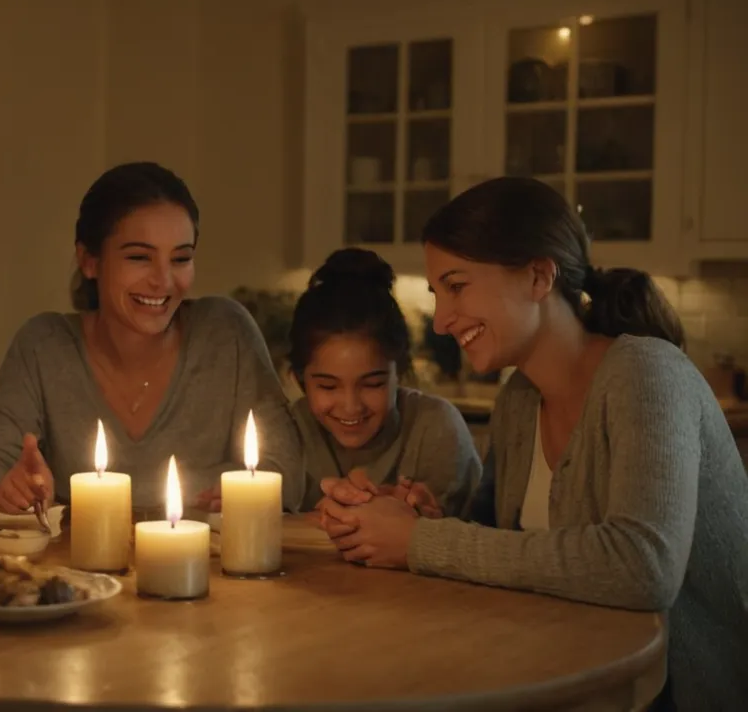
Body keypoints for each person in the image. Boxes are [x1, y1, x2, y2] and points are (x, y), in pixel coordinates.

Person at [316, 177, 748, 710]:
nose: (445, 321)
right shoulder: (520, 399)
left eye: (457, 286)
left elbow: (644, 568)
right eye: (438, 294)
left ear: (540, 276)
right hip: (563, 673)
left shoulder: (646, 374)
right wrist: (418, 518)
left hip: (669, 694)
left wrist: (422, 543)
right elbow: (500, 544)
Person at [0, 161, 306, 513]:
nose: (164, 281)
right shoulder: (44, 346)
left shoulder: (226, 333)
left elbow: (286, 477)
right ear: (89, 261)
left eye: (180, 258)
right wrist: (13, 487)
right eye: (140, 257)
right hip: (74, 568)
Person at [287, 248, 480, 515]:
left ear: (398, 373)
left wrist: (420, 518)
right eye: (328, 386)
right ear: (300, 379)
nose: (351, 406)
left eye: (372, 384)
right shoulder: (288, 433)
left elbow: (475, 535)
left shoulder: (434, 428)